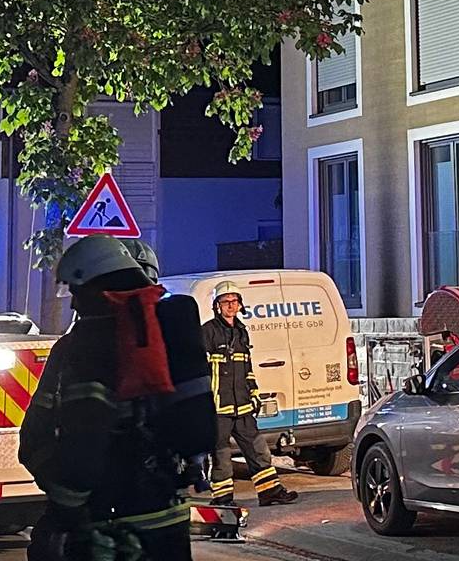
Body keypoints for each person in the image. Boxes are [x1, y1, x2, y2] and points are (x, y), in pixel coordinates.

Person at [18, 236, 218, 561]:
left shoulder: (88, 344)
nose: (73, 304)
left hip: (107, 519)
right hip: (167, 511)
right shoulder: (167, 328)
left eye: (76, 292)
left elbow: (85, 436)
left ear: (94, 285)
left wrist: (67, 506)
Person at [200, 282, 293, 509]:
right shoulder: (208, 331)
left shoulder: (241, 331)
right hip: (218, 407)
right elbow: (200, 369)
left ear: (240, 304)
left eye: (234, 301)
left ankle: (269, 492)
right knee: (221, 454)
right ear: (217, 306)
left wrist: (254, 393)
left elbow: (247, 368)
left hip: (242, 405)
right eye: (225, 302)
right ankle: (223, 499)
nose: (231, 305)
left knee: (258, 449)